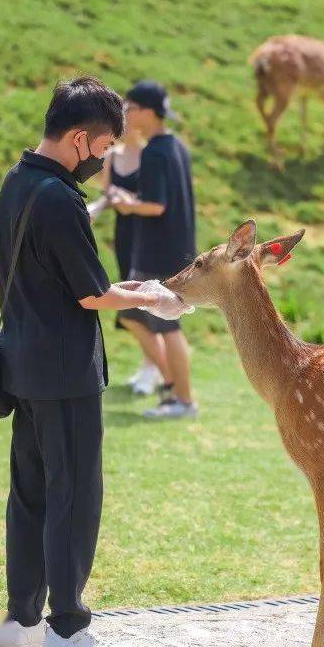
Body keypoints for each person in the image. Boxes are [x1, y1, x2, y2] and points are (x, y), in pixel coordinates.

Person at [0, 76, 184, 647]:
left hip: (23, 366)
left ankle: (20, 623)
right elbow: (92, 295)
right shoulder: (61, 200)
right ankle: (67, 631)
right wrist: (152, 296)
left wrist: (136, 292)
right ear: (78, 138)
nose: (102, 160)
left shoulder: (18, 182)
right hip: (66, 374)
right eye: (102, 148)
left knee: (30, 497)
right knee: (73, 497)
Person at [114, 81, 198, 418]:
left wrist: (127, 204)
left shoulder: (154, 152)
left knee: (168, 325)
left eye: (130, 107)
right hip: (175, 248)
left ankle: (183, 401)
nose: (126, 113)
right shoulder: (177, 146)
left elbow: (156, 205)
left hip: (158, 252)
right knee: (131, 315)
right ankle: (170, 388)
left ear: (147, 112)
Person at [98, 127, 165, 396]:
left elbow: (155, 198)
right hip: (124, 232)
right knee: (130, 296)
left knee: (142, 301)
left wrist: (131, 202)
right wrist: (109, 201)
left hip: (148, 233)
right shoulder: (113, 155)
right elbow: (106, 191)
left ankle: (155, 367)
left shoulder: (151, 156)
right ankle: (150, 363)